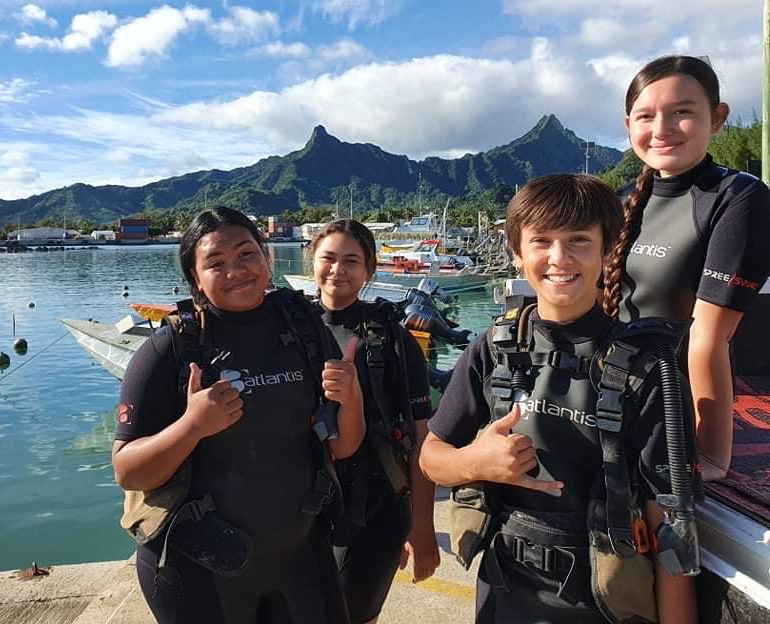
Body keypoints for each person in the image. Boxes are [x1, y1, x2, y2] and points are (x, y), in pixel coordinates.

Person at [420, 174, 700, 624]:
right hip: (504, 591)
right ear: (517, 253)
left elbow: (671, 526)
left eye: (579, 240)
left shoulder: (649, 370)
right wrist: (476, 463)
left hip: (602, 602)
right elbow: (432, 456)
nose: (559, 258)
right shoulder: (493, 348)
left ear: (609, 252)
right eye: (541, 241)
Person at [112, 206, 365, 624]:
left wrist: (351, 398)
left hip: (301, 555)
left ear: (266, 255)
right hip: (198, 568)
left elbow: (343, 445)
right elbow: (128, 472)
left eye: (247, 254)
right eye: (215, 262)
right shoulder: (169, 351)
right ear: (195, 276)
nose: (236, 270)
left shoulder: (305, 331)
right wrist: (191, 427)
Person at [602, 55, 770, 481]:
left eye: (682, 112)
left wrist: (709, 456)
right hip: (607, 404)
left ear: (717, 119)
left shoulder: (738, 198)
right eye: (646, 116)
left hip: (671, 418)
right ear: (628, 126)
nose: (661, 129)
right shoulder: (620, 200)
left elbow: (709, 337)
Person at [309, 219, 440, 624]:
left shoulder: (391, 339)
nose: (338, 270)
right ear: (311, 260)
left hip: (377, 504)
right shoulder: (291, 328)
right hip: (304, 506)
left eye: (352, 261)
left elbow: (421, 437)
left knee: (355, 616)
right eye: (328, 258)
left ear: (369, 271)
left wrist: (422, 527)